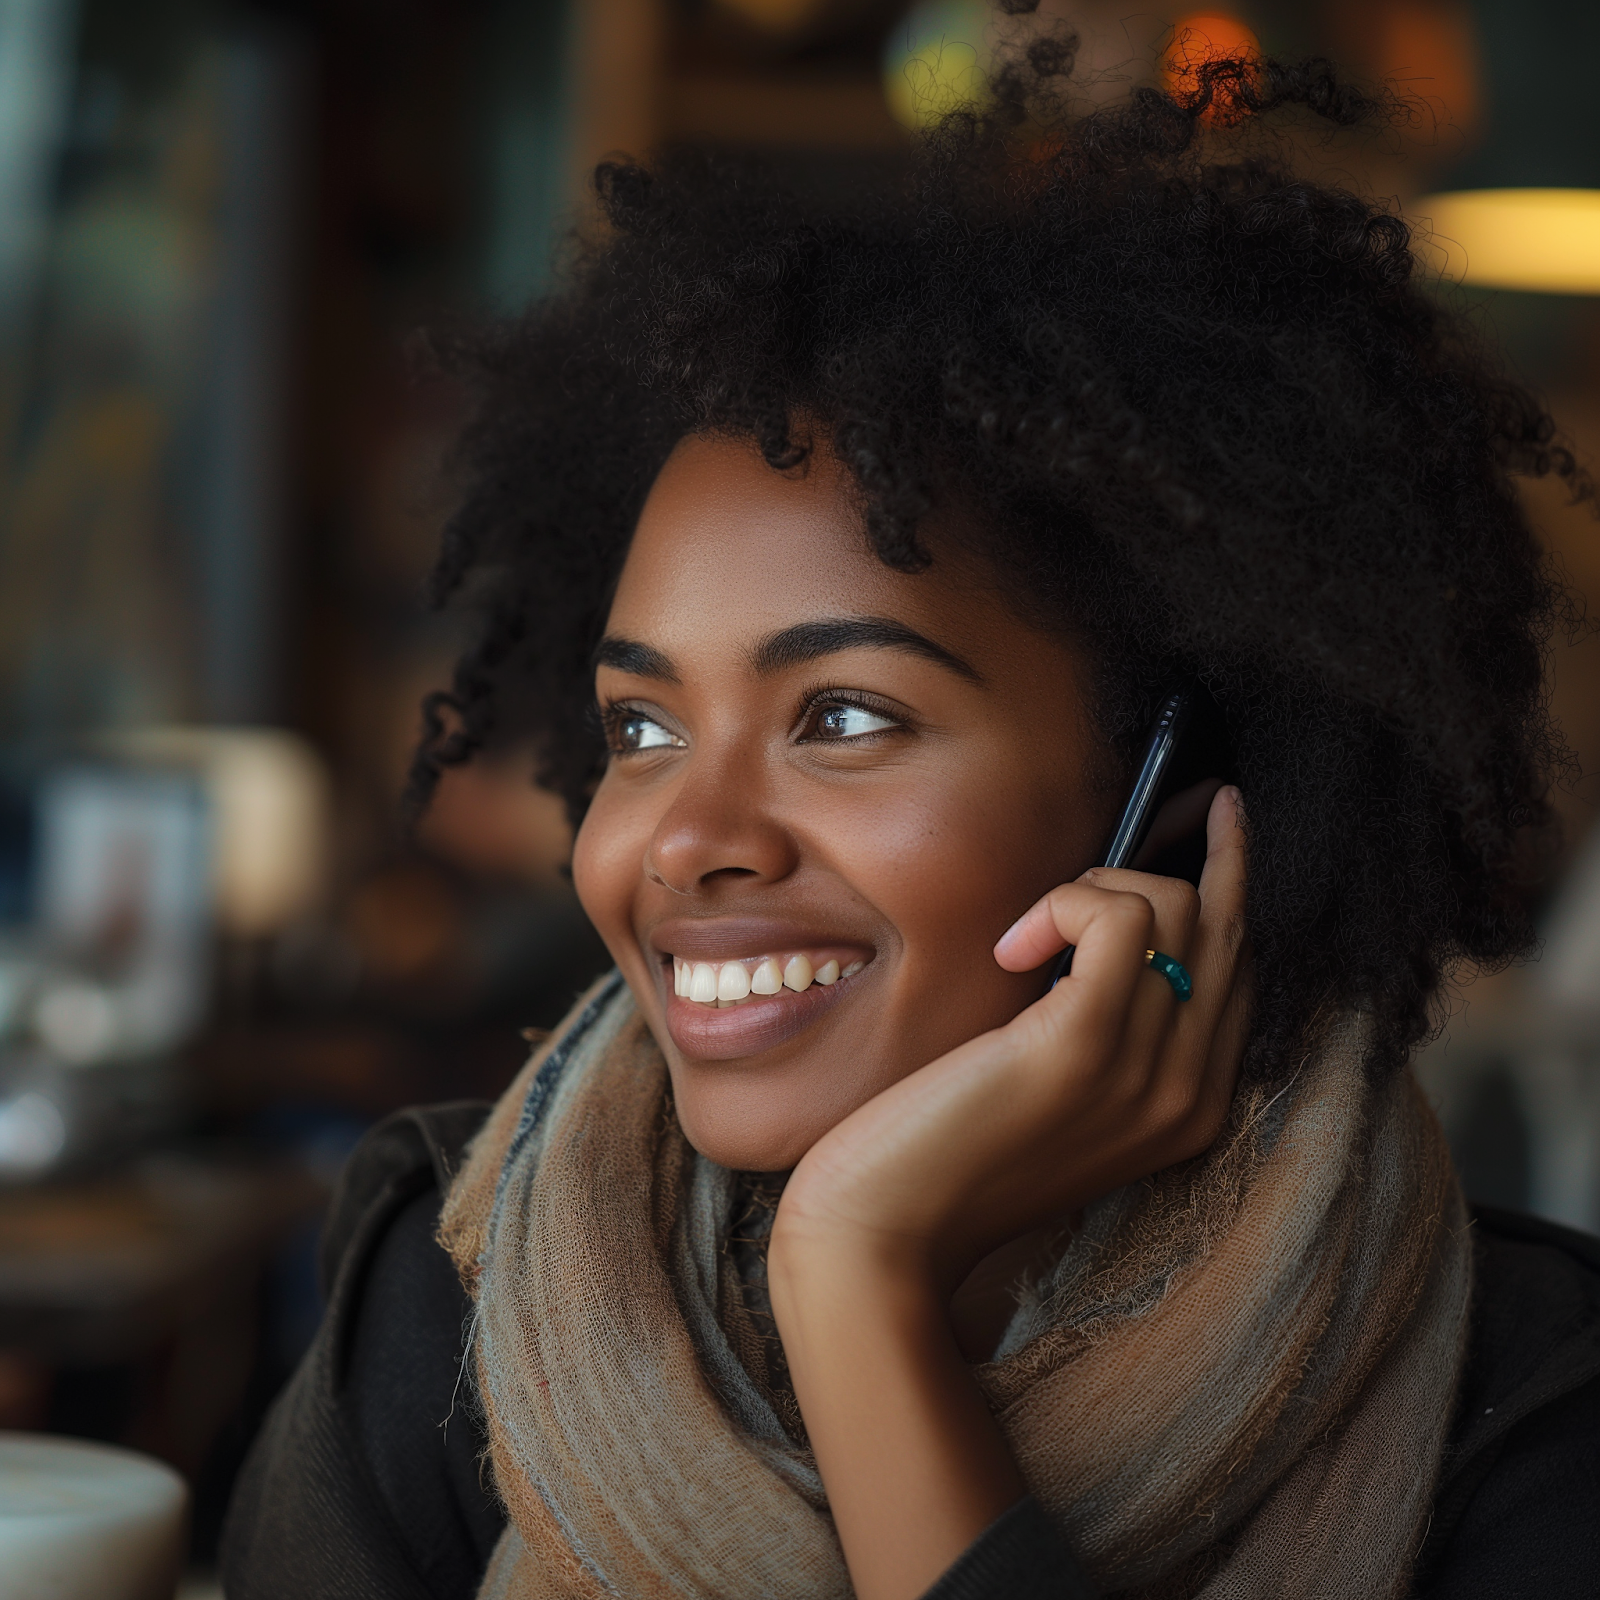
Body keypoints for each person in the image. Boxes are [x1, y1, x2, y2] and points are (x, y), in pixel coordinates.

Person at [222, 39, 1600, 1600]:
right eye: (643, 728)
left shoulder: (1527, 1418)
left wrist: (857, 1284)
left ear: (1174, 811)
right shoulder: (444, 1301)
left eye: (848, 719)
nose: (683, 841)